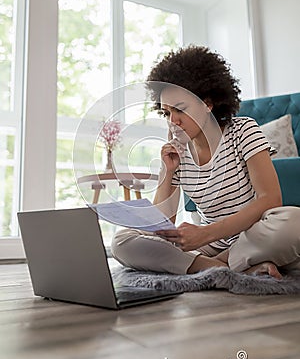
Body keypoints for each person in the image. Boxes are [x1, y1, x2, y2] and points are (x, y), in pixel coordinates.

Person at [111, 45, 300, 278]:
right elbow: (162, 223)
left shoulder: (243, 131)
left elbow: (270, 199)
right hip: (213, 245)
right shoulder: (178, 152)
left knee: (294, 222)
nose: (173, 121)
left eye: (180, 109)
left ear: (207, 103)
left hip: (252, 235)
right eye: (167, 113)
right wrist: (168, 172)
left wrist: (205, 234)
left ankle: (213, 265)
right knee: (123, 239)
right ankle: (218, 267)